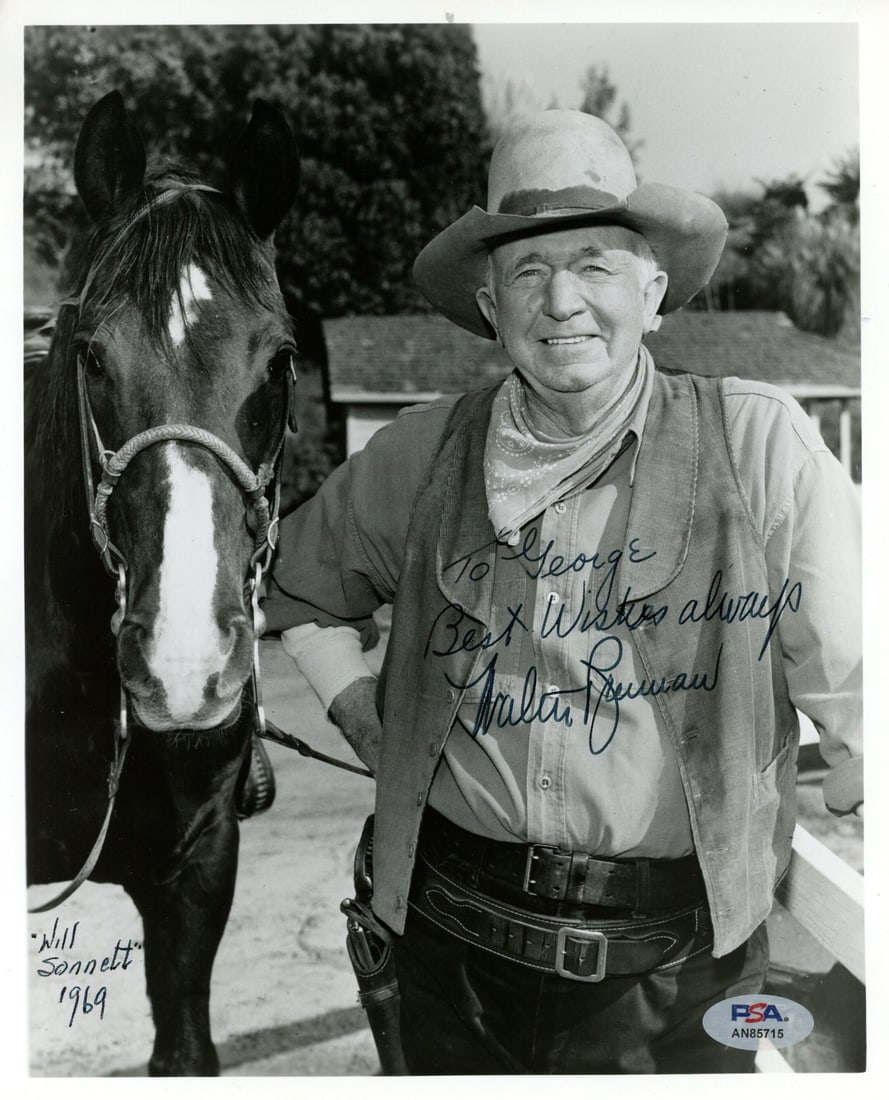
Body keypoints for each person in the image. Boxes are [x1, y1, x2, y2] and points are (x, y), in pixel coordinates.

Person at [263, 110, 862, 1074]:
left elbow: (858, 681)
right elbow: (294, 588)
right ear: (492, 305)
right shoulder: (417, 454)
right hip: (447, 961)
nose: (562, 302)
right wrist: (362, 714)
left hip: (675, 980)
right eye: (528, 272)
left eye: (594, 265)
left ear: (653, 292)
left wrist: (855, 756)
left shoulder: (759, 446)